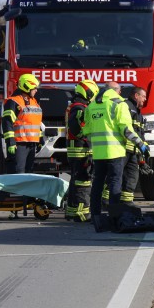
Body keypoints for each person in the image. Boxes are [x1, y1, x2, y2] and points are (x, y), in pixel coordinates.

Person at [84, 86, 149, 232]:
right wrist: (141, 145)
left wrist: (93, 148)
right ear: (116, 91)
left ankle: (95, 217)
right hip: (116, 152)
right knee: (115, 185)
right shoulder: (118, 104)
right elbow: (126, 129)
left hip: (98, 153)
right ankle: (113, 219)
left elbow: (87, 131)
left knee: (97, 185)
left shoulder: (92, 105)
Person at [64, 79, 99, 222]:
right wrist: (85, 137)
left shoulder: (75, 105)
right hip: (80, 149)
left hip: (76, 148)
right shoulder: (79, 107)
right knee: (83, 180)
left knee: (76, 180)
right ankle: (81, 212)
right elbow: (76, 126)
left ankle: (72, 211)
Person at [1, 73, 43, 174]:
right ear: (26, 86)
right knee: (18, 172)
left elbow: (35, 122)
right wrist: (10, 142)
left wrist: (40, 139)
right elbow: (7, 123)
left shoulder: (34, 101)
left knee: (29, 172)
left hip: (31, 144)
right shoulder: (13, 102)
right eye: (34, 88)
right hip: (19, 144)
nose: (36, 90)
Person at [120, 86, 147, 205]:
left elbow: (140, 134)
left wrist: (143, 154)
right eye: (143, 96)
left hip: (133, 152)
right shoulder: (126, 107)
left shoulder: (138, 112)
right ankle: (107, 203)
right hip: (122, 150)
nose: (145, 99)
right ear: (136, 96)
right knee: (116, 177)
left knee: (131, 178)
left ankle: (127, 204)